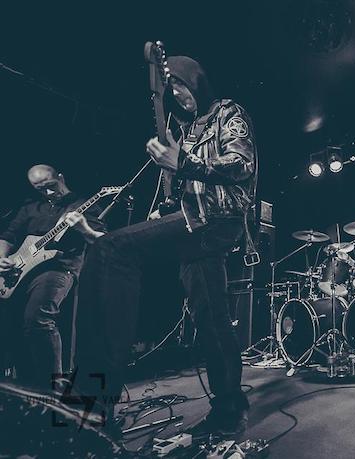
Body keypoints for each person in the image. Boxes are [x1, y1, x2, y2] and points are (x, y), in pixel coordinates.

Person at [75, 55, 257, 437]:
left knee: (111, 250)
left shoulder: (228, 112)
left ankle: (93, 403)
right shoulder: (183, 130)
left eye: (181, 85)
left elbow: (242, 164)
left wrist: (184, 162)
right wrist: (164, 203)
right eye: (171, 89)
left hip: (218, 221)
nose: (177, 94)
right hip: (193, 226)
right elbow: (179, 191)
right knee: (211, 318)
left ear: (197, 81)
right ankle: (230, 409)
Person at [0, 165, 105, 390]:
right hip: (20, 272)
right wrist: (2, 258)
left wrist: (84, 228)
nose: (48, 193)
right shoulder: (30, 208)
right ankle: (25, 388)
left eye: (51, 186)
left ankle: (52, 389)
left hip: (59, 269)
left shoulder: (83, 205)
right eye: (40, 189)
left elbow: (104, 242)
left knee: (37, 318)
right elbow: (8, 236)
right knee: (11, 325)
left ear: (61, 177)